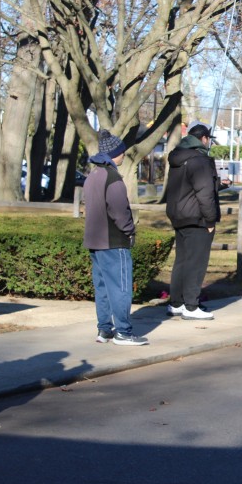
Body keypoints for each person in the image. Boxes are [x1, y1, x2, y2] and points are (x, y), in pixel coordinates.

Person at [83, 129, 148, 346]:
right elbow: (120, 212)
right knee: (120, 288)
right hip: (113, 240)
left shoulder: (92, 176)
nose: (124, 156)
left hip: (94, 241)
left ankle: (104, 330)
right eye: (122, 152)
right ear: (114, 154)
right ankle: (123, 332)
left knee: (102, 288)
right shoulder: (113, 178)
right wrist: (129, 231)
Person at [166, 121, 221, 320]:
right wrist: (210, 220)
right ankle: (191, 305)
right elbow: (204, 193)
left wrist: (219, 184)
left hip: (179, 215)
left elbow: (187, 186)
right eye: (208, 140)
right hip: (197, 218)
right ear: (203, 139)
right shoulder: (200, 160)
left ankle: (176, 303)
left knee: (181, 261)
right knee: (196, 262)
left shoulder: (178, 157)